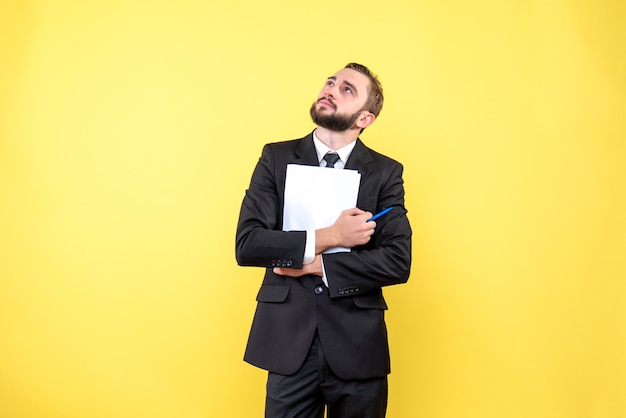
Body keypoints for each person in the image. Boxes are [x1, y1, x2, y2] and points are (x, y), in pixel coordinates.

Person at [235, 63, 412, 418]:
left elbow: (397, 260)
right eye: (330, 82)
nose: (330, 89)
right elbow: (249, 243)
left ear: (365, 119)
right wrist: (333, 235)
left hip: (358, 345)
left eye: (347, 89)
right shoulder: (276, 158)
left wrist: (316, 265)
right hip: (288, 341)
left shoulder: (385, 172)